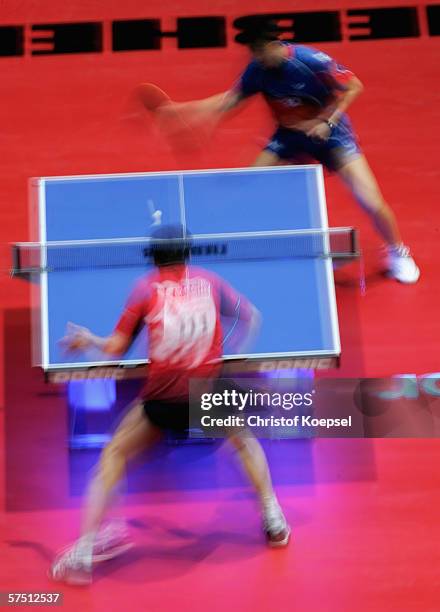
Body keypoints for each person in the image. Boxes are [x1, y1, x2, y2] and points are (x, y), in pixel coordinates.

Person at [49, 224, 290, 586]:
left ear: (152, 257)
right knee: (244, 441)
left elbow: (116, 349)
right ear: (188, 252)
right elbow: (251, 316)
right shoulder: (210, 282)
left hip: (162, 402)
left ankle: (84, 553)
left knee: (113, 455)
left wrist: (87, 339)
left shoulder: (144, 290)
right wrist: (232, 353)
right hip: (207, 393)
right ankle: (273, 518)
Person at [143, 25, 419, 283]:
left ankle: (397, 252)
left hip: (331, 135)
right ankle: (320, 244)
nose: (255, 57)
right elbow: (228, 102)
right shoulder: (258, 70)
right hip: (290, 137)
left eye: (259, 50)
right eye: (252, 51)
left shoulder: (309, 61)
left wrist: (328, 122)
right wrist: (180, 110)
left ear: (276, 44)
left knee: (369, 199)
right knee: (248, 181)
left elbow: (354, 85)